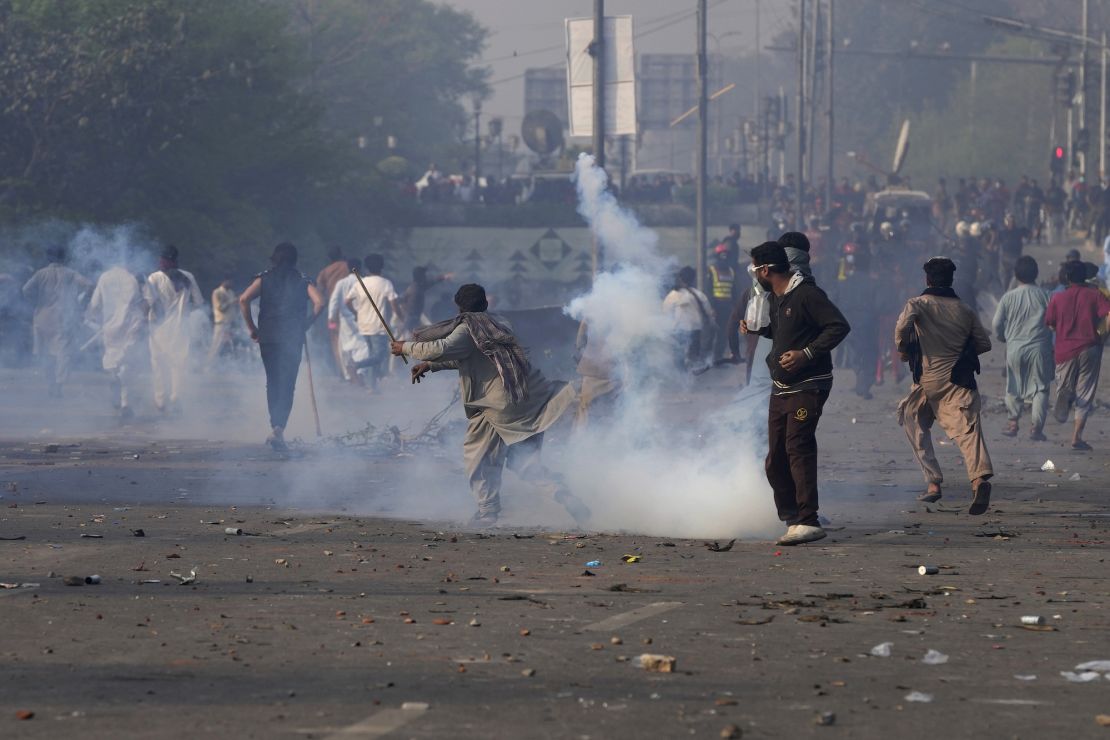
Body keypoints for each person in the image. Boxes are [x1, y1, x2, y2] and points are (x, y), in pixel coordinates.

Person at [390, 284, 590, 526]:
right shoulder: (499, 324)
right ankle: (564, 495)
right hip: (524, 398)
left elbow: (441, 348)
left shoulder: (467, 329)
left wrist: (405, 348)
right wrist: (430, 366)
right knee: (523, 462)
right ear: (485, 304)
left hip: (496, 406)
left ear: (459, 308)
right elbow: (472, 358)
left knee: (479, 459)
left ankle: (487, 513)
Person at [741, 241, 850, 546]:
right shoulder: (776, 297)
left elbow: (838, 326)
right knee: (775, 457)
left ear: (766, 269)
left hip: (809, 383)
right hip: (782, 386)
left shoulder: (807, 294)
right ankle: (792, 519)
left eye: (755, 268)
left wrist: (806, 353)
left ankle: (808, 519)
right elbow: (782, 330)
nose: (754, 274)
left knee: (797, 447)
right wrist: (756, 330)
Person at [895, 257, 993, 514]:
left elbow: (902, 327)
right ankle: (978, 480)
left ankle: (933, 483)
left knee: (913, 422)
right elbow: (984, 344)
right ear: (951, 280)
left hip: (926, 381)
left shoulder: (917, 304)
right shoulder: (965, 309)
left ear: (928, 280)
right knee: (969, 432)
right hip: (957, 381)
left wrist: (905, 350)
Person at [239, 242, 324, 451]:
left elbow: (243, 299)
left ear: (274, 259)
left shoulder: (264, 278)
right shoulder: (302, 280)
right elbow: (320, 302)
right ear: (295, 260)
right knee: (287, 383)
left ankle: (275, 427)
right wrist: (306, 324)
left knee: (273, 381)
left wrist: (252, 328)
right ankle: (278, 428)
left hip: (267, 336)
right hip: (291, 337)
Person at [1045, 259, 1110, 450]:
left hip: (1064, 349)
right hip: (1090, 347)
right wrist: (1104, 335)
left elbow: (1050, 324)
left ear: (1067, 277)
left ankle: (1065, 393)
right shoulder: (1095, 294)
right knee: (1086, 390)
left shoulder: (1057, 298)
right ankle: (1076, 436)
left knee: (1064, 385)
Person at [992, 256, 1053, 441]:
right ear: (1036, 274)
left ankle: (1013, 423)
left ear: (1016, 275)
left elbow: (996, 324)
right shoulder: (1045, 296)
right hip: (1039, 348)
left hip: (1014, 347)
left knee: (1013, 386)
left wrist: (1003, 337)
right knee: (1040, 388)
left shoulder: (1008, 297)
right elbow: (1053, 323)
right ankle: (1036, 428)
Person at [21, 246, 92, 396]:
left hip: (42, 316)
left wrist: (36, 302)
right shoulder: (70, 273)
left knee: (45, 352)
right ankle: (59, 384)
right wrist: (79, 300)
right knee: (63, 353)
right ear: (64, 258)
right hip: (62, 318)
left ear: (48, 258)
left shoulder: (41, 273)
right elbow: (89, 284)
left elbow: (25, 289)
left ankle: (50, 383)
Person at [145, 245, 203, 414]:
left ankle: (160, 401)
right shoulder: (188, 277)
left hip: (158, 329)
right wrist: (184, 309)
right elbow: (199, 302)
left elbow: (149, 303)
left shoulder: (153, 278)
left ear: (164, 260)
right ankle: (175, 397)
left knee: (158, 365)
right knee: (178, 365)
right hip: (180, 328)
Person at [86, 257, 147, 419]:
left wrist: (93, 318)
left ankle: (115, 379)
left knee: (112, 361)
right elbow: (140, 304)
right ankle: (125, 403)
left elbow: (95, 304)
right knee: (128, 364)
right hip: (130, 326)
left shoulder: (104, 277)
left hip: (110, 327)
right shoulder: (132, 279)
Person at [345, 254, 403, 391]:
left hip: (363, 325)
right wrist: (401, 317)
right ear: (382, 267)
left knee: (373, 356)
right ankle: (355, 365)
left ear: (366, 268)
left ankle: (372, 387)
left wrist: (356, 313)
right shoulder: (385, 283)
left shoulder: (360, 283)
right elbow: (394, 304)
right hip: (378, 326)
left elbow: (346, 301)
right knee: (380, 355)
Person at [835, 249, 879, 399]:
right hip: (867, 322)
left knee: (854, 351)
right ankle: (864, 383)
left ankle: (860, 377)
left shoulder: (845, 282)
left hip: (848, 320)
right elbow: (878, 304)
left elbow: (837, 301)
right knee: (869, 353)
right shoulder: (873, 283)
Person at [662, 266, 714, 372]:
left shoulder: (672, 295)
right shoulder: (699, 295)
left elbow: (665, 311)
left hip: (678, 329)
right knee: (693, 354)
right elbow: (708, 311)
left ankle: (682, 376)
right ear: (693, 279)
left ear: (680, 278)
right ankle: (691, 375)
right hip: (695, 329)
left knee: (679, 355)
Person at [327, 259, 370, 384]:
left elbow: (334, 301)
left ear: (347, 268)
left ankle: (349, 374)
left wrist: (331, 317)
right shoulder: (364, 282)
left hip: (345, 320)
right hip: (362, 318)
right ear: (360, 268)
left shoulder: (342, 283)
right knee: (363, 346)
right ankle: (360, 372)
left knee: (345, 348)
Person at [316, 246, 349, 375]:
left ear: (329, 258)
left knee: (335, 340)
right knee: (351, 339)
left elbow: (319, 293)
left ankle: (341, 371)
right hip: (350, 310)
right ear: (341, 254)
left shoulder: (324, 272)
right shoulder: (348, 267)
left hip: (332, 313)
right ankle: (352, 370)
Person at [400, 266, 452, 336]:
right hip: (412, 319)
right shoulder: (415, 289)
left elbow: (431, 282)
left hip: (414, 317)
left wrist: (444, 277)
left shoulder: (418, 286)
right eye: (424, 275)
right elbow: (403, 302)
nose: (426, 276)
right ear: (421, 276)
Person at [707, 245, 737, 361]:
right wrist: (712, 307)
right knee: (712, 333)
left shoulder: (731, 271)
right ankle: (708, 358)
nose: (724, 258)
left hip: (727, 306)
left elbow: (734, 290)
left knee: (724, 333)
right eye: (722, 255)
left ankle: (718, 357)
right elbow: (709, 290)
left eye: (726, 255)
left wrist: (735, 306)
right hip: (716, 306)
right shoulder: (712, 270)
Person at [207, 279, 238, 365]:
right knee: (216, 346)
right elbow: (220, 308)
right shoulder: (217, 292)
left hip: (230, 323)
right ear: (223, 281)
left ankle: (231, 366)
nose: (231, 283)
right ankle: (208, 366)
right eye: (229, 281)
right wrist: (232, 301)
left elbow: (233, 309)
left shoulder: (231, 292)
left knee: (232, 346)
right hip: (221, 323)